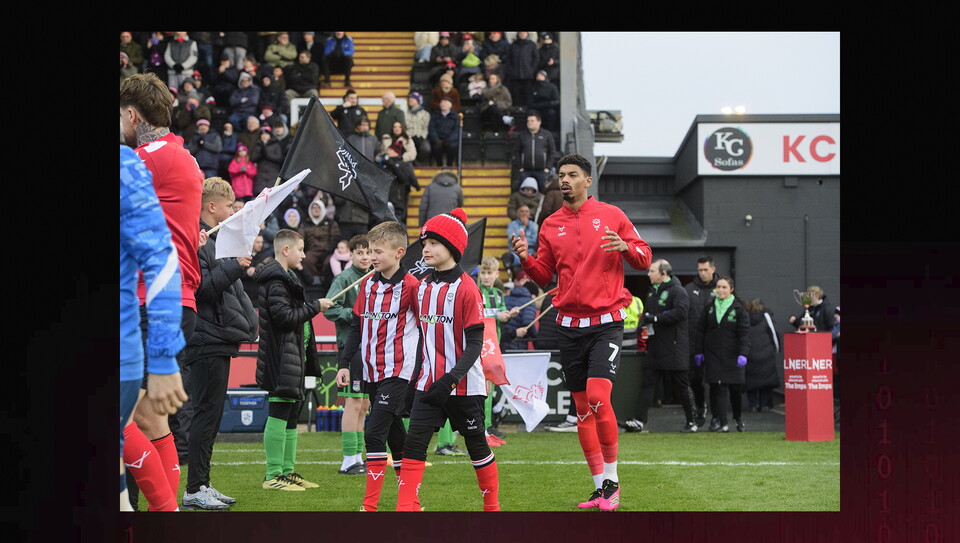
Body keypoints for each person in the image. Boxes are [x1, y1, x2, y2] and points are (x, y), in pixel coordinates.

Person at [510, 153, 652, 511]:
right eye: (561, 175)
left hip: (606, 322)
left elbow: (645, 256)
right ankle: (598, 487)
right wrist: (526, 258)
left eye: (572, 174)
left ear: (588, 180)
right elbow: (544, 275)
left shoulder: (612, 215)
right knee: (581, 410)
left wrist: (626, 247)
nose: (565, 180)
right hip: (568, 324)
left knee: (598, 397)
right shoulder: (550, 224)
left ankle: (613, 482)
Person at [120, 73, 204, 511]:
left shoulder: (146, 158)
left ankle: (166, 513)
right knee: (151, 419)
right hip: (170, 300)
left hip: (147, 300)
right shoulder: (181, 157)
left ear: (132, 114)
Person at [396, 208, 501, 511]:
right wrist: (413, 379)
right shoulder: (422, 286)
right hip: (428, 384)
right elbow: (419, 339)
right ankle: (406, 509)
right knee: (413, 446)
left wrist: (451, 379)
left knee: (477, 447)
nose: (425, 249)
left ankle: (492, 509)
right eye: (425, 242)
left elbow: (476, 344)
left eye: (433, 243)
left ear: (452, 247)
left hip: (464, 386)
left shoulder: (467, 288)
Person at [329, 222, 421, 510]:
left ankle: (369, 506)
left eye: (377, 252)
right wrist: (344, 363)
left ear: (399, 252)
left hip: (399, 372)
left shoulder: (412, 286)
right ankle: (412, 502)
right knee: (397, 438)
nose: (372, 257)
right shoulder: (367, 283)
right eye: (369, 251)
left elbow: (427, 329)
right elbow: (356, 326)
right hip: (370, 371)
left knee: (373, 433)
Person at [181, 177, 258, 510]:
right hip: (206, 337)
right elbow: (202, 289)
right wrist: (235, 265)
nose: (233, 211)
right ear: (211, 206)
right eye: (229, 206)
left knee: (209, 416)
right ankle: (195, 487)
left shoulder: (213, 239)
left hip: (217, 337)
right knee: (205, 415)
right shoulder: (198, 239)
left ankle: (202, 484)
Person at [119, 145, 187, 511]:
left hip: (133, 330)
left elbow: (162, 260)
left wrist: (163, 359)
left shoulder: (128, 165)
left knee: (137, 421)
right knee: (149, 422)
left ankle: (166, 511)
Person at [253, 229, 323, 491]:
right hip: (281, 358)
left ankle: (286, 471)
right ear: (285, 250)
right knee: (280, 411)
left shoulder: (288, 277)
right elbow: (284, 318)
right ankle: (273, 476)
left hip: (294, 357)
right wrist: (315, 307)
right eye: (300, 249)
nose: (304, 254)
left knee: (292, 414)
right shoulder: (276, 280)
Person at [624, 259, 698, 433]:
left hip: (675, 347)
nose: (648, 274)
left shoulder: (678, 291)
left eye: (652, 271)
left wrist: (655, 318)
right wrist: (645, 322)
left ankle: (692, 421)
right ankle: (639, 421)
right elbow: (649, 316)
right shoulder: (652, 292)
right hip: (656, 346)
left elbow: (680, 312)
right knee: (648, 383)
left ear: (663, 274)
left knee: (682, 384)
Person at [320, 235, 372, 475]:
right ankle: (348, 459)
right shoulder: (344, 279)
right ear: (350, 255)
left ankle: (358, 456)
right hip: (351, 347)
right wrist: (353, 314)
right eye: (359, 253)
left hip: (371, 347)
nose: (364, 257)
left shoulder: (375, 277)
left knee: (364, 404)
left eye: (368, 253)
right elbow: (329, 308)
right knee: (352, 403)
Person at [692, 276, 751, 433]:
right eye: (718, 287)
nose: (720, 290)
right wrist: (699, 351)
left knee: (734, 389)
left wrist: (743, 353)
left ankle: (737, 418)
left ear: (731, 289)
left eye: (724, 287)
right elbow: (701, 330)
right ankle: (719, 420)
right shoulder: (710, 307)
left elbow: (744, 333)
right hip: (713, 354)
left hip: (733, 355)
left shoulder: (739, 309)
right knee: (716, 386)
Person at [476, 256, 519, 442]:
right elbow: (476, 314)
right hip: (479, 346)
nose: (486, 277)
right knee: (480, 389)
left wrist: (510, 315)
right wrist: (497, 315)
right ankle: (479, 427)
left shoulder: (499, 294)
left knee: (489, 389)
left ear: (496, 274)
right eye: (483, 273)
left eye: (489, 273)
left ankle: (486, 426)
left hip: (494, 345)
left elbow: (502, 316)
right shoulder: (476, 292)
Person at [684, 255, 719, 427]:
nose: (703, 273)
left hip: (715, 344)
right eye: (700, 270)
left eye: (706, 270)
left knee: (715, 381)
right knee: (695, 380)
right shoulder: (689, 289)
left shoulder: (722, 288)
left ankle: (716, 417)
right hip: (694, 343)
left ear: (713, 269)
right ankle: (700, 407)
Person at [377, 121, 420, 224]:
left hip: (402, 166)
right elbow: (383, 152)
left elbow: (412, 154)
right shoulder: (386, 138)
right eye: (394, 127)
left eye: (399, 127)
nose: (396, 129)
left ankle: (415, 184)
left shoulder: (407, 139)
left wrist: (399, 159)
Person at [743, 298, 781, 412]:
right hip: (766, 354)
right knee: (766, 382)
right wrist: (777, 349)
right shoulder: (766, 317)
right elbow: (773, 334)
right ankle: (764, 405)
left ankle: (752, 405)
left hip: (750, 354)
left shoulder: (745, 317)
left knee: (751, 382)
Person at [299, 197, 341, 295]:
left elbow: (336, 237)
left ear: (322, 209)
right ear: (310, 210)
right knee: (307, 260)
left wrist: (328, 250)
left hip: (327, 250)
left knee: (329, 262)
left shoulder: (331, 222)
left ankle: (326, 285)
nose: (316, 210)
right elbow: (300, 238)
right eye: (314, 208)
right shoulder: (305, 223)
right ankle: (313, 282)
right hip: (311, 250)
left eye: (318, 208)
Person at [511, 112, 560, 192]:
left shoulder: (547, 135)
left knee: (544, 191)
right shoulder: (522, 135)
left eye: (532, 121)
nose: (529, 123)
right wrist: (520, 167)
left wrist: (548, 167)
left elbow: (552, 152)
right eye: (528, 121)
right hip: (525, 170)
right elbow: (516, 152)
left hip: (542, 171)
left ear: (539, 122)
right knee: (523, 192)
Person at [251, 119, 291, 196]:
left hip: (273, 175)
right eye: (262, 134)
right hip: (260, 176)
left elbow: (279, 158)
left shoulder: (275, 144)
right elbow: (253, 158)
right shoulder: (257, 145)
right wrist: (261, 152)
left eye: (266, 134)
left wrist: (267, 154)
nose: (264, 136)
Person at [500, 273, 537, 351]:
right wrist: (535, 338)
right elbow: (527, 322)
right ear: (533, 294)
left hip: (502, 340)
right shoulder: (529, 302)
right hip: (518, 342)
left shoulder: (504, 298)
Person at [504, 31, 539, 107]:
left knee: (527, 92)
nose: (523, 34)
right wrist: (511, 71)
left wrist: (531, 70)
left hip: (527, 75)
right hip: (515, 75)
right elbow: (508, 59)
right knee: (515, 93)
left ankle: (527, 108)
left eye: (524, 33)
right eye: (521, 33)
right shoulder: (513, 45)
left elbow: (536, 58)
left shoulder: (531, 45)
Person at [428, 96, 460, 167]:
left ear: (450, 105)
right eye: (441, 102)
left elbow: (457, 130)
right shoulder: (434, 115)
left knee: (452, 147)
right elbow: (431, 128)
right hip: (438, 139)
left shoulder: (455, 116)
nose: (443, 104)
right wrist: (436, 139)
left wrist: (450, 140)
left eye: (445, 102)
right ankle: (439, 165)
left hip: (450, 140)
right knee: (436, 147)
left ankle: (450, 165)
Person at [405, 92, 431, 165]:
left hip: (421, 137)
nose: (410, 100)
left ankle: (418, 162)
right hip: (409, 137)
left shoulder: (425, 114)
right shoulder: (406, 113)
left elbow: (426, 127)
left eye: (413, 99)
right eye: (410, 98)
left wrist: (421, 136)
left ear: (418, 101)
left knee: (426, 149)